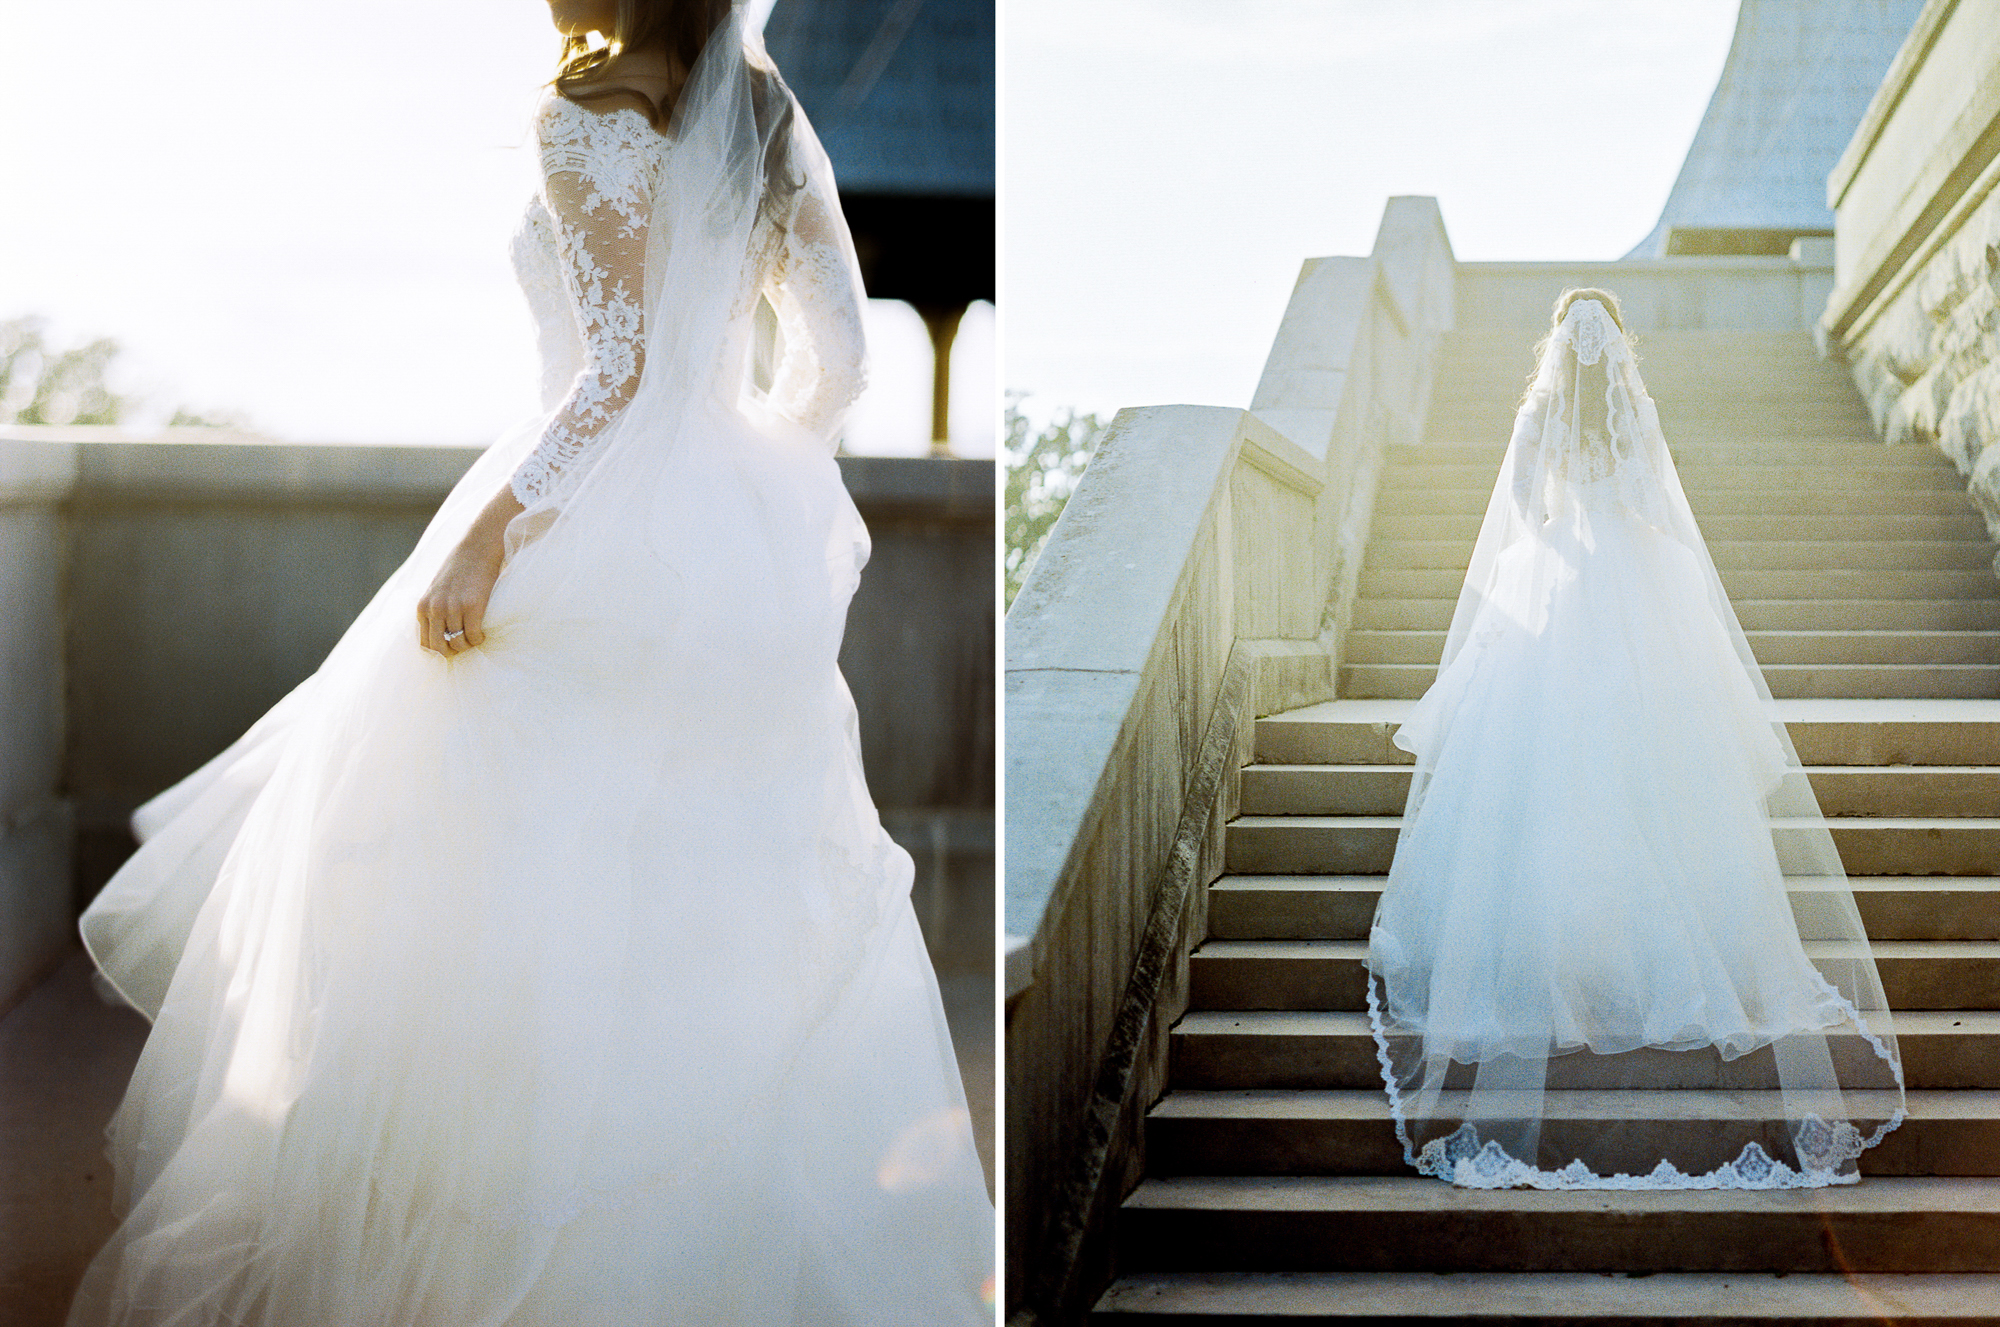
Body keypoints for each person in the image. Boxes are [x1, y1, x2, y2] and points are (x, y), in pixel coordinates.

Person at [65, 1, 994, 1320]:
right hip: (730, 560)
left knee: (492, 885)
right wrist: (750, 481)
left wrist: (489, 535)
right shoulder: (770, 117)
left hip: (580, 524)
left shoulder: (587, 112)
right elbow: (838, 366)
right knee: (725, 902)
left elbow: (612, 379)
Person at [1365, 288, 1905, 1190]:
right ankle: (1679, 959)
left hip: (1560, 582)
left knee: (1551, 773)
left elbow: (1522, 513)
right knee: (1661, 773)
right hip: (1637, 580)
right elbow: (1660, 503)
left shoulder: (1538, 412)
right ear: (1617, 348)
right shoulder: (1637, 410)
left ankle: (1565, 954)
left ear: (1555, 345)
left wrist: (1556, 549)